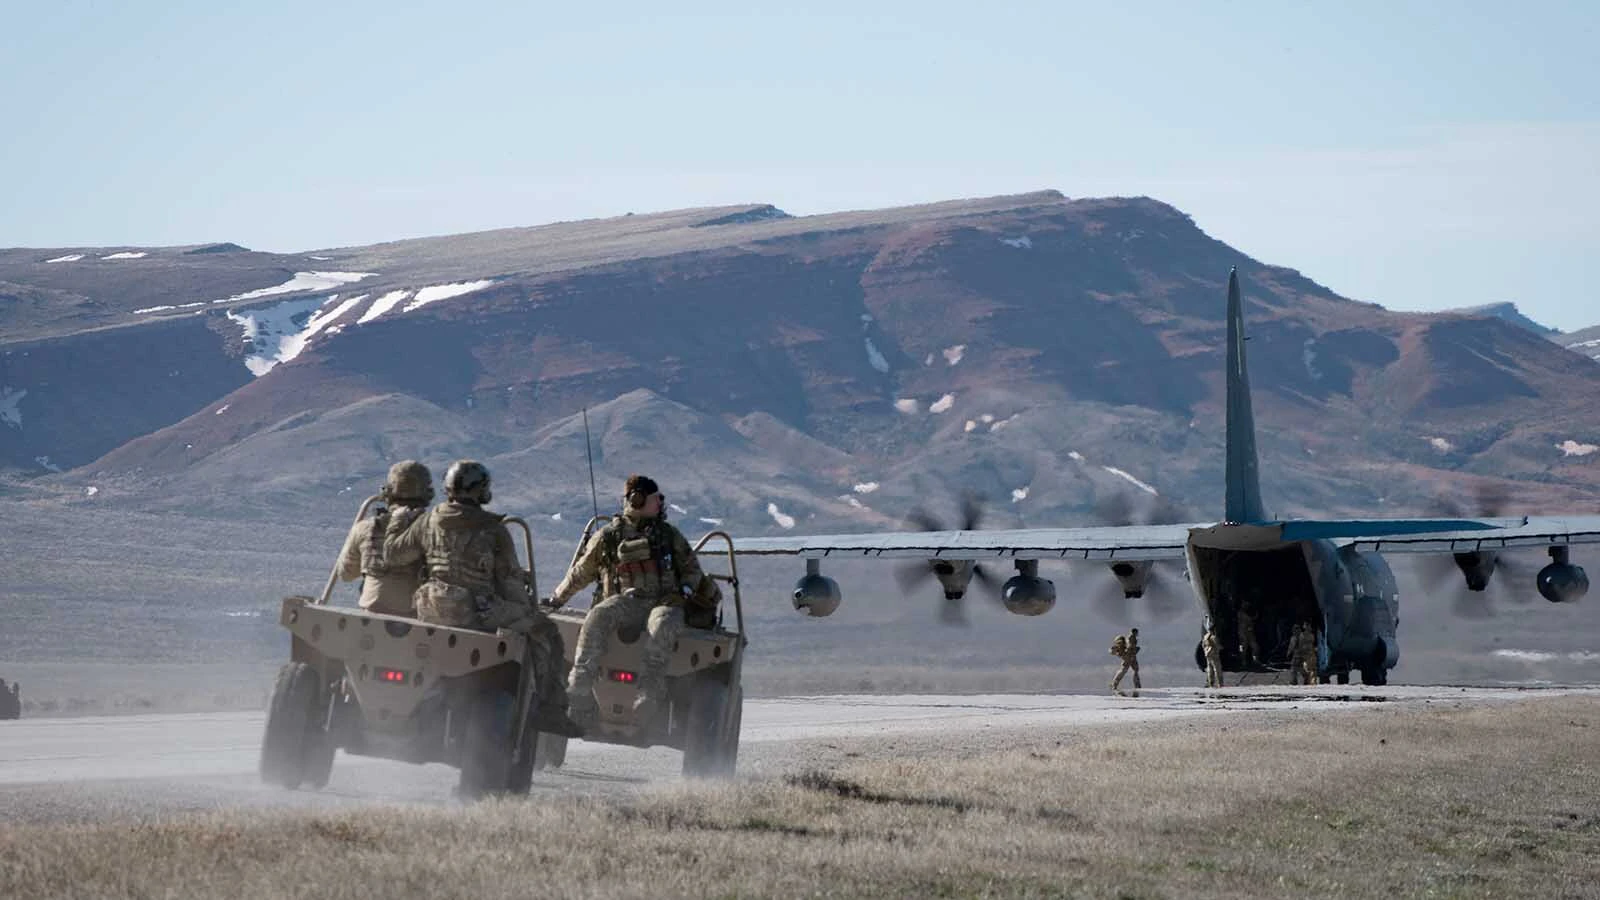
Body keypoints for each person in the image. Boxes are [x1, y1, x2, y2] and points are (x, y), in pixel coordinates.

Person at [386, 460, 581, 737]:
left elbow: (394, 554)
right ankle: (552, 709)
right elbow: (510, 582)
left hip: (429, 607)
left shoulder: (427, 520)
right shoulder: (494, 530)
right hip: (478, 612)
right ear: (482, 491)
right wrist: (525, 609)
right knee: (546, 631)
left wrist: (397, 520)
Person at [547, 474, 721, 726]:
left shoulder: (669, 536)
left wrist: (684, 590)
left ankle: (649, 692)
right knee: (599, 615)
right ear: (636, 500)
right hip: (626, 602)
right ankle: (580, 685)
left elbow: (693, 570)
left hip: (663, 603)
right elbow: (580, 573)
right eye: (654, 499)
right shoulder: (609, 536)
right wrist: (556, 598)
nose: (660, 504)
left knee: (663, 623)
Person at [336, 460, 434, 616]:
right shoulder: (434, 531)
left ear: (387, 492)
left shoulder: (365, 528)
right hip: (417, 618)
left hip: (372, 614)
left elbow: (345, 573)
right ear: (428, 494)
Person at [1110, 627, 1142, 696]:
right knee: (1124, 670)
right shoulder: (1130, 638)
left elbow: (1131, 648)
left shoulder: (1132, 638)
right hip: (1129, 657)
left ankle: (1137, 685)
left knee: (1135, 670)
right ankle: (1114, 684)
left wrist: (1134, 650)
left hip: (1131, 656)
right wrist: (1132, 651)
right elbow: (1129, 648)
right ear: (1134, 632)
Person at [1236, 599, 1259, 669]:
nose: (1246, 605)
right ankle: (1243, 661)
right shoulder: (1240, 613)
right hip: (1242, 632)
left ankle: (1255, 660)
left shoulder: (1249, 612)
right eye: (1245, 604)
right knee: (1243, 647)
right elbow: (1249, 619)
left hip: (1250, 632)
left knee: (1255, 646)